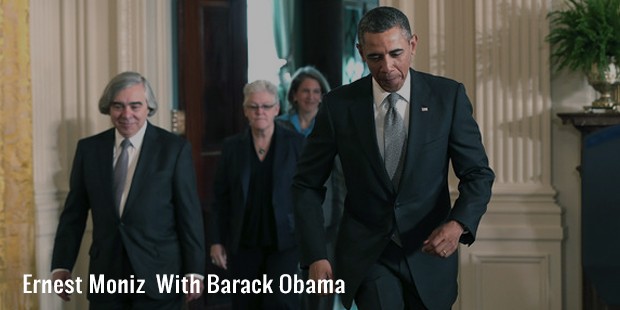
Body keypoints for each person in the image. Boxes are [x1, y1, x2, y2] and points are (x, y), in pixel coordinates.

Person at [293, 6, 495, 310]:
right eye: (375, 57)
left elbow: (478, 174)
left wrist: (458, 224)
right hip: (369, 258)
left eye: (396, 53)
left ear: (413, 45)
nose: (387, 67)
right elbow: (306, 185)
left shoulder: (447, 97)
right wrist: (315, 254)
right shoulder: (338, 106)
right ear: (361, 52)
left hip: (429, 253)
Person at [50, 71, 206, 309]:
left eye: (135, 106)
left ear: (148, 107)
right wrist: (62, 265)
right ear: (108, 108)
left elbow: (189, 215)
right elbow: (74, 214)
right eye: (118, 106)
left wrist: (194, 271)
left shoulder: (174, 149)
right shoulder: (89, 150)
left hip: (159, 276)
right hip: (107, 278)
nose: (127, 115)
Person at [209, 80, 305, 309]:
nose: (259, 111)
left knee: (281, 303)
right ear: (245, 111)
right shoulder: (232, 147)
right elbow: (220, 199)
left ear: (276, 109)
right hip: (243, 242)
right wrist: (216, 241)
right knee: (245, 304)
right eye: (253, 107)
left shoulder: (297, 144)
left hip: (285, 243)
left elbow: (308, 195)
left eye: (265, 106)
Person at [277, 66, 346, 310]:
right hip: (284, 219)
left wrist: (338, 218)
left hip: (324, 221)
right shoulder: (278, 127)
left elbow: (339, 180)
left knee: (321, 291)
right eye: (305, 90)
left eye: (316, 91)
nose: (311, 96)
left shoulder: (332, 127)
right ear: (294, 94)